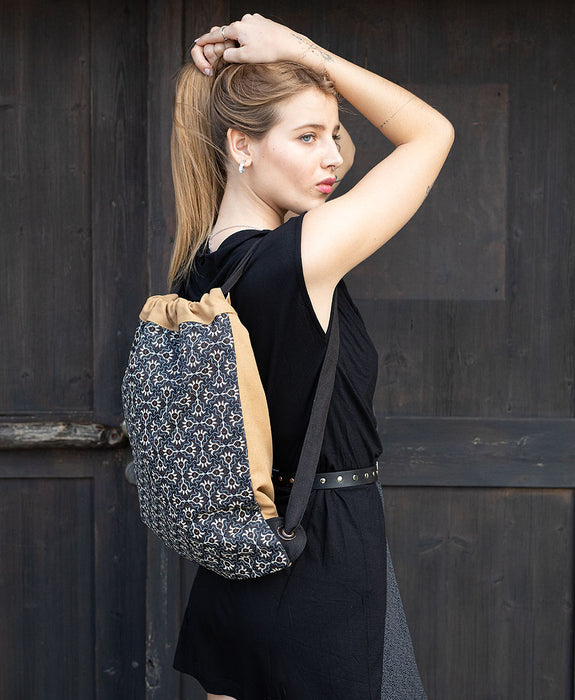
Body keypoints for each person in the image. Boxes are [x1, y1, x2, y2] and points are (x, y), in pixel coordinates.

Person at [169, 13, 454, 700]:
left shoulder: (198, 272)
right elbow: (431, 133)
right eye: (306, 137)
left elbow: (336, 155)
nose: (331, 156)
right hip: (324, 555)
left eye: (333, 133)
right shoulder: (297, 258)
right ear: (240, 144)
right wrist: (306, 53)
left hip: (245, 558)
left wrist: (299, 89)